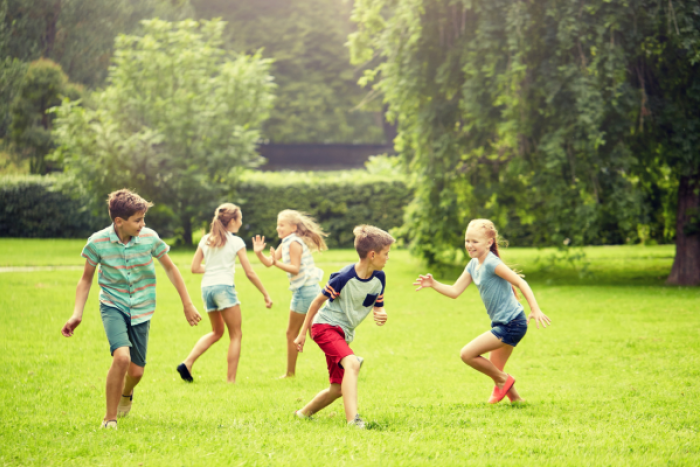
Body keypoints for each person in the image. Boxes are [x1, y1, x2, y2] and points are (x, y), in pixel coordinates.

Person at [61, 189, 202, 430]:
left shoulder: (149, 238)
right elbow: (86, 279)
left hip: (142, 307)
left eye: (143, 219)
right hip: (113, 305)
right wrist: (77, 313)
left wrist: (187, 303)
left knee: (136, 372)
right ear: (119, 221)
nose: (142, 224)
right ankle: (109, 418)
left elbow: (170, 268)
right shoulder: (97, 242)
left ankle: (127, 393)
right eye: (137, 220)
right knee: (122, 358)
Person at [413, 219, 551, 404]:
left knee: (467, 354)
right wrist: (433, 284)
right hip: (504, 323)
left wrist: (535, 308)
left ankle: (504, 380)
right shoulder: (473, 264)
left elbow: (520, 282)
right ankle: (517, 400)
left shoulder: (492, 263)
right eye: (467, 240)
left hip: (512, 324)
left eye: (475, 241)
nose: (470, 245)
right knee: (494, 368)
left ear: (489, 242)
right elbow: (455, 292)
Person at [293, 225, 394, 428]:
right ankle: (353, 421)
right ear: (372, 254)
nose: (388, 258)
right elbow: (316, 303)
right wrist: (302, 333)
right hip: (324, 327)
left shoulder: (379, 277)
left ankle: (302, 414)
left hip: (343, 333)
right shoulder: (343, 277)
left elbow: (378, 305)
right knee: (352, 364)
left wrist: (380, 313)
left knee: (338, 388)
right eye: (386, 254)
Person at [177, 203, 273, 384]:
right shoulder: (235, 241)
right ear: (233, 221)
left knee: (217, 331)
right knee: (236, 334)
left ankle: (187, 363)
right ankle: (231, 381)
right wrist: (265, 294)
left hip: (207, 289)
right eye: (240, 219)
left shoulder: (206, 239)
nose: (241, 222)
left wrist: (214, 268)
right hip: (224, 288)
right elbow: (249, 272)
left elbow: (195, 268)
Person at [252, 210, 327, 378]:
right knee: (316, 333)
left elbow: (295, 268)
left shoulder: (293, 243)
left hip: (305, 292)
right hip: (309, 290)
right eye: (277, 224)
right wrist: (258, 253)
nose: (278, 228)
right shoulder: (286, 242)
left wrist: (277, 263)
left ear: (293, 227)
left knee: (292, 333)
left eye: (282, 225)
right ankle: (348, 359)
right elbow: (269, 263)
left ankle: (290, 374)